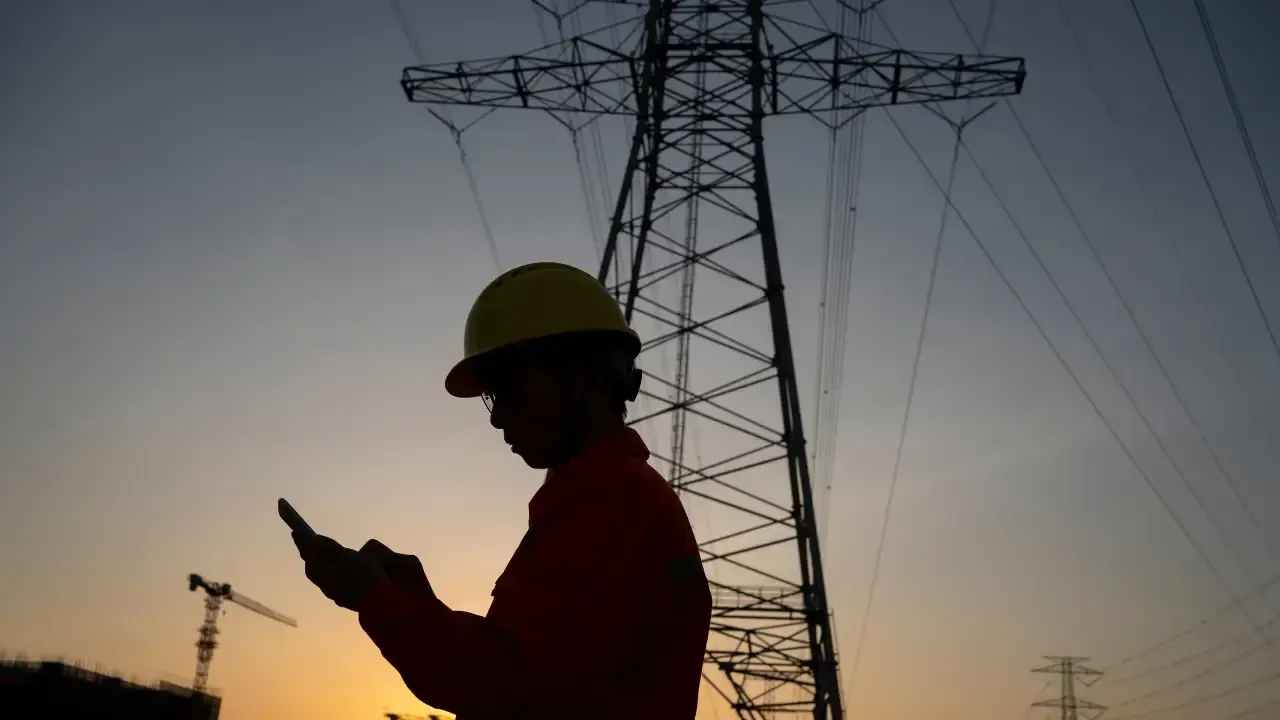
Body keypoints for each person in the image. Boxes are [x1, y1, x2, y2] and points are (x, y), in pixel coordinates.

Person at [292, 261, 713, 719]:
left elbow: (510, 686)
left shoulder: (614, 501)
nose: (496, 417)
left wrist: (378, 601)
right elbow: (531, 664)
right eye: (492, 396)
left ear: (579, 376)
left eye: (508, 387)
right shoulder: (603, 499)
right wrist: (416, 603)